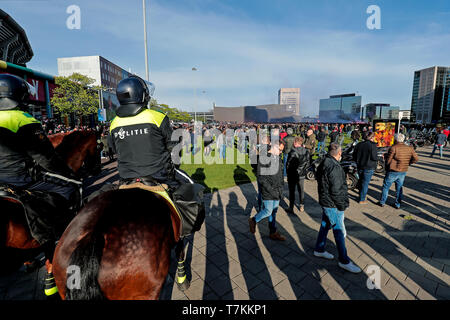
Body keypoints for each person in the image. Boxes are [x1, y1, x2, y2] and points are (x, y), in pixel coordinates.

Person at [0, 74, 80, 295]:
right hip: (21, 179)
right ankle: (68, 251)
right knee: (71, 188)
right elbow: (46, 160)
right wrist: (68, 175)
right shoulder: (23, 119)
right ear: (20, 95)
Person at [110, 75, 193, 189]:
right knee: (193, 188)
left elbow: (115, 150)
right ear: (142, 95)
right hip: (159, 175)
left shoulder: (114, 123)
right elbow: (173, 147)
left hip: (126, 178)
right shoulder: (158, 117)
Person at [313, 142, 361, 273]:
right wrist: (342, 205)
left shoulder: (326, 161)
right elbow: (336, 190)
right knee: (338, 230)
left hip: (327, 201)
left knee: (325, 225)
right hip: (332, 203)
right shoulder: (333, 166)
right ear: (339, 153)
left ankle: (319, 249)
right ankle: (344, 260)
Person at [248, 142, 285, 241]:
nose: (281, 152)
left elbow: (281, 175)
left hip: (277, 190)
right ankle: (253, 220)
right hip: (268, 191)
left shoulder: (278, 158)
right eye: (280, 150)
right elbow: (261, 178)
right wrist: (271, 190)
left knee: (274, 212)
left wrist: (281, 188)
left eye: (282, 150)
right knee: (268, 210)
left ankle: (273, 232)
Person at [379, 133, 418, 209]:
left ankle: (382, 202)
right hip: (403, 170)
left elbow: (388, 161)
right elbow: (416, 159)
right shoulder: (409, 148)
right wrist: (409, 163)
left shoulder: (393, 148)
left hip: (392, 170)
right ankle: (397, 204)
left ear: (396, 139)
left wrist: (385, 159)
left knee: (386, 187)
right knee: (399, 188)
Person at [286, 136, 310, 213]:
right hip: (301, 174)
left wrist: (288, 173)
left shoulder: (292, 152)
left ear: (295, 143)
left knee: (292, 191)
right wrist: (303, 171)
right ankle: (301, 205)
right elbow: (307, 163)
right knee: (301, 190)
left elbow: (288, 164)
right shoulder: (306, 151)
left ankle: (291, 207)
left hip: (293, 174)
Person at [353, 131, 378, 204]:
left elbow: (354, 156)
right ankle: (362, 199)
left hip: (360, 166)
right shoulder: (372, 145)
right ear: (371, 137)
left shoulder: (359, 144)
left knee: (361, 182)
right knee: (365, 183)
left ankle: (361, 196)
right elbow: (374, 157)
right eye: (373, 137)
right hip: (369, 166)